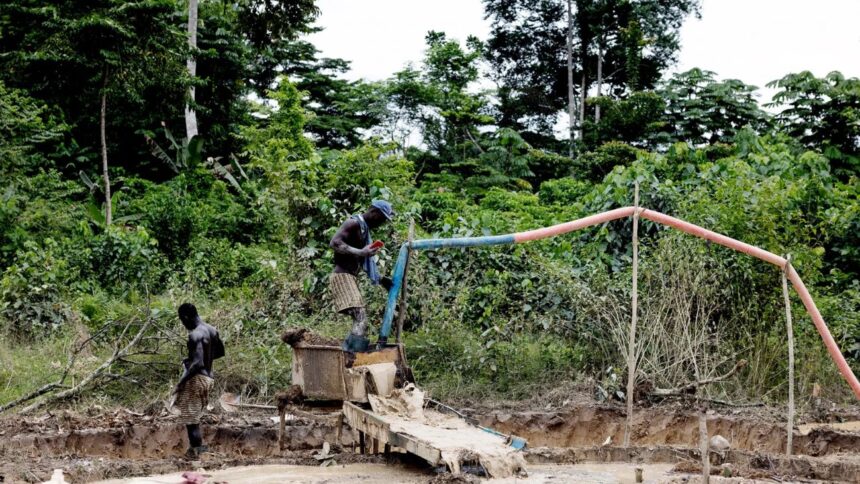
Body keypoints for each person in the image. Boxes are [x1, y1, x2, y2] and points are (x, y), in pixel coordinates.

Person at [329, 200, 394, 352]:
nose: (382, 223)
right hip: (342, 276)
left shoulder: (364, 230)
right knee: (360, 317)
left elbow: (362, 261)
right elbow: (334, 242)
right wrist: (360, 252)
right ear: (374, 212)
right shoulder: (353, 223)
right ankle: (351, 355)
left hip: (350, 277)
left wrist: (380, 279)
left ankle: (351, 352)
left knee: (361, 317)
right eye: (382, 218)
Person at [173, 303, 225, 458]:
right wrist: (201, 357)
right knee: (194, 417)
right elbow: (220, 352)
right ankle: (197, 452)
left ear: (186, 317)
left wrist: (181, 382)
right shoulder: (211, 330)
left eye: (183, 321)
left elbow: (198, 363)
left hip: (196, 380)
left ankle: (197, 454)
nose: (184, 325)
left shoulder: (195, 334)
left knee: (191, 420)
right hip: (208, 378)